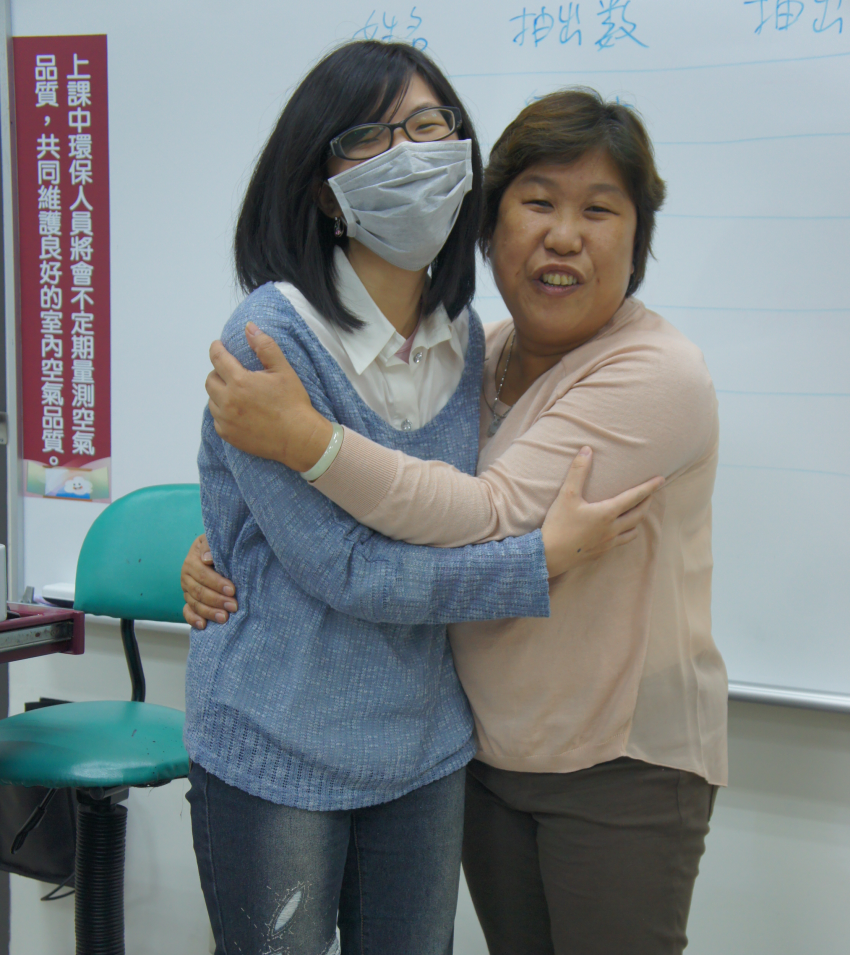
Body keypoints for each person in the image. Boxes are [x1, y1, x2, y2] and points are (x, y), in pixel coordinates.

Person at [185, 88, 727, 955]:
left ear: (639, 239)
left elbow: (483, 512)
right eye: (538, 202)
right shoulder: (474, 347)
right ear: (489, 223)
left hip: (613, 765)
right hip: (481, 751)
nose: (564, 235)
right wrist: (242, 532)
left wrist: (307, 443)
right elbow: (372, 515)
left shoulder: (655, 373)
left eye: (599, 210)